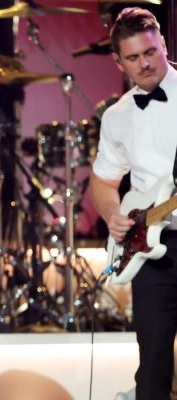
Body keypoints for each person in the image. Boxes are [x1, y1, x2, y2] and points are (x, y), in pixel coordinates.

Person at [90, 8, 177, 400]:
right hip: (150, 251)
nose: (144, 63)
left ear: (164, 45)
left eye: (150, 52)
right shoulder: (117, 115)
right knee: (153, 366)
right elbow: (103, 180)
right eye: (133, 57)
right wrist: (113, 214)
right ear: (118, 61)